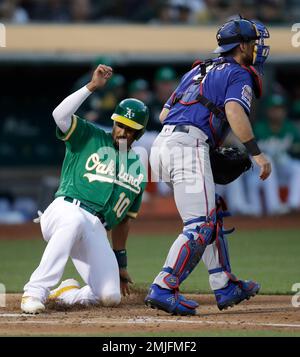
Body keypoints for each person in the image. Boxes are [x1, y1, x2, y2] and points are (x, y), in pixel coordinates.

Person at [145, 17, 271, 315]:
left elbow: (164, 115)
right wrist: (256, 153)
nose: (257, 48)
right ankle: (164, 286)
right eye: (253, 43)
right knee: (199, 224)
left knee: (209, 212)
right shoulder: (239, 72)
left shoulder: (198, 70)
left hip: (162, 146)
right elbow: (234, 110)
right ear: (241, 46)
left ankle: (223, 283)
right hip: (187, 147)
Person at [21, 64, 149, 314]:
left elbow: (123, 222)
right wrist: (91, 87)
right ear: (114, 122)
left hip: (96, 228)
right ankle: (34, 291)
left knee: (110, 296)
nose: (123, 132)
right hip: (65, 209)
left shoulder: (137, 169)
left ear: (140, 133)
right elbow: (59, 115)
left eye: (131, 130)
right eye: (120, 125)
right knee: (74, 221)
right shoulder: (89, 135)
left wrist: (120, 264)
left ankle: (67, 294)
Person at [246, 94, 300, 214]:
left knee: (297, 167)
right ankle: (274, 206)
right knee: (268, 159)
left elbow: (297, 146)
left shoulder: (289, 127)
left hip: (281, 168)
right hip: (261, 172)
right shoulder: (260, 127)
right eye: (274, 109)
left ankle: (294, 204)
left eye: (280, 109)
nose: (277, 112)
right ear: (268, 110)